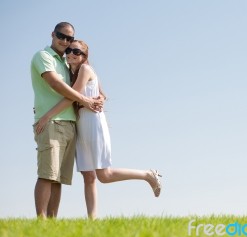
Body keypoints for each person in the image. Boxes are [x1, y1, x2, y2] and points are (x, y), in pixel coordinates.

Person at [35, 40, 162, 219]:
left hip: (93, 124)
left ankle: (147, 175)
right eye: (69, 50)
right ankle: (93, 220)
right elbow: (102, 93)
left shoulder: (85, 70)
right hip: (80, 126)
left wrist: (47, 115)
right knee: (88, 176)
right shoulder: (71, 71)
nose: (71, 53)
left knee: (104, 175)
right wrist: (100, 97)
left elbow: (73, 97)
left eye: (77, 51)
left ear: (84, 56)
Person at [31, 22, 102, 219]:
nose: (65, 41)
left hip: (71, 124)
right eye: (61, 36)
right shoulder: (43, 57)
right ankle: (41, 222)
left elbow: (89, 86)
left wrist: (98, 98)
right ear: (53, 34)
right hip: (50, 123)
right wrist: (85, 100)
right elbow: (55, 84)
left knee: (58, 178)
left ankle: (52, 222)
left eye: (69, 39)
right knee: (47, 174)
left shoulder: (66, 63)